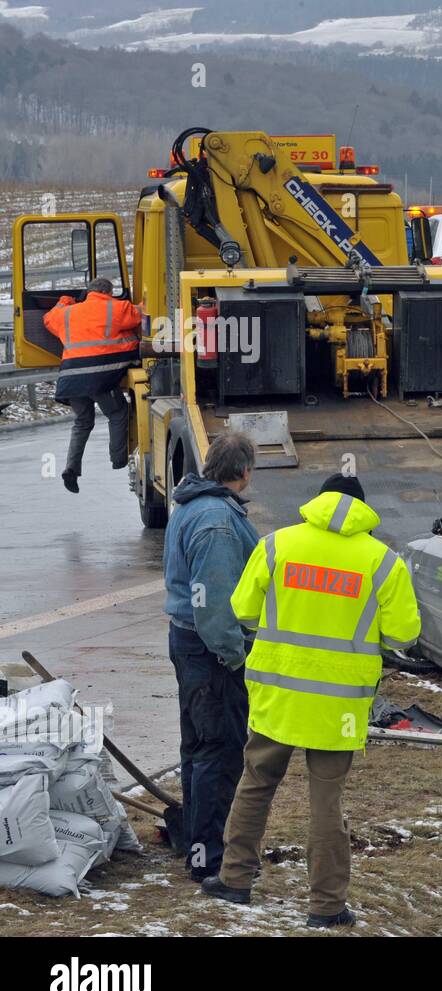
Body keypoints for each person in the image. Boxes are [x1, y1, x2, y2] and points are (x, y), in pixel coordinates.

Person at [203, 474, 421, 928]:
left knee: (256, 784)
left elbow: (242, 610)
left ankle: (235, 879)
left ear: (317, 501)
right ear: (362, 509)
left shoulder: (277, 545)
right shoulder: (382, 562)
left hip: (278, 694)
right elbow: (405, 634)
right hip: (338, 707)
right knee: (327, 802)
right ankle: (325, 906)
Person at [163, 432, 260, 883]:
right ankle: (209, 857)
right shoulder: (218, 521)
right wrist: (234, 656)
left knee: (198, 748)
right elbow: (214, 604)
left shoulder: (191, 505)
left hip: (187, 643)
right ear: (243, 471)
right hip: (211, 652)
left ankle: (195, 841)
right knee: (218, 753)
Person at [42, 277, 142, 494]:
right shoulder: (115, 307)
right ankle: (118, 460)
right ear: (109, 292)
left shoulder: (67, 313)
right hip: (100, 377)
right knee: (117, 412)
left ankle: (71, 467)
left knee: (82, 422)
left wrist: (64, 301)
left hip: (71, 378)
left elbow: (48, 319)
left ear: (88, 292)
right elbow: (139, 315)